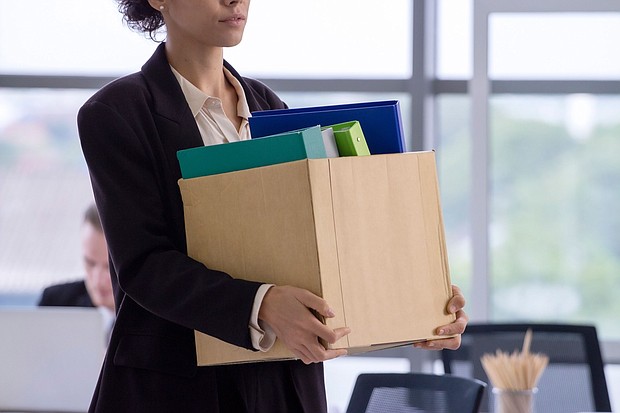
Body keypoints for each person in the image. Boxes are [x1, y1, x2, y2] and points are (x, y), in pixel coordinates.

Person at [76, 0, 468, 412]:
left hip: (283, 386)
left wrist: (417, 301)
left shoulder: (267, 106)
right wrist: (261, 304)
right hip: (176, 387)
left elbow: (322, 245)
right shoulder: (117, 113)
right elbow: (145, 265)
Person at [38, 203, 116, 338]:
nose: (98, 280)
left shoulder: (158, 315)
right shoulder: (55, 305)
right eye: (90, 263)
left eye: (109, 267)